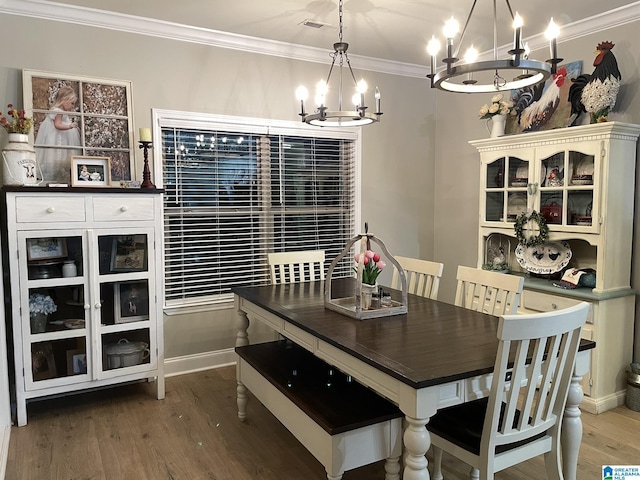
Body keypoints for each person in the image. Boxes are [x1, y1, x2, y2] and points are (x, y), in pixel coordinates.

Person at [35, 86, 82, 184]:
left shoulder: (56, 110)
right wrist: (70, 126)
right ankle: (56, 175)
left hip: (56, 135)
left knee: (58, 155)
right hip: (57, 136)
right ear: (65, 100)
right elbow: (57, 125)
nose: (73, 106)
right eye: (72, 103)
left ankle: (58, 175)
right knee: (58, 154)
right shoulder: (59, 112)